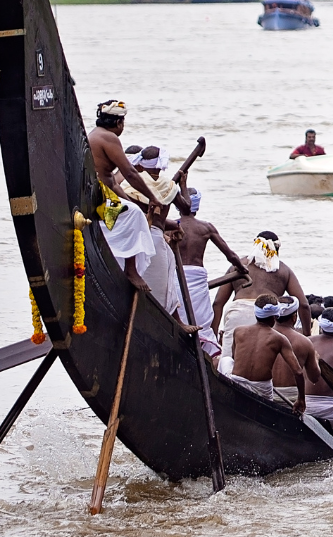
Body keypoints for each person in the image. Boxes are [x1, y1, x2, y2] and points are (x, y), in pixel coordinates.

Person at [88, 100, 164, 292]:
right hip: (100, 201)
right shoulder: (109, 137)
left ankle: (117, 263)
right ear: (119, 122)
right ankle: (131, 270)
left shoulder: (96, 134)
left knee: (133, 210)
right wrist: (153, 198)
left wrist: (132, 202)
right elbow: (129, 173)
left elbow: (113, 182)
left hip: (102, 195)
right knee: (135, 216)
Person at [161, 188, 243, 356]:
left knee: (178, 315)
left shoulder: (169, 226)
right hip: (196, 280)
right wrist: (242, 268)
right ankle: (205, 353)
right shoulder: (205, 228)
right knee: (201, 322)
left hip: (178, 277)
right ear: (197, 207)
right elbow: (231, 255)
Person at [223, 296, 307, 412]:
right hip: (262, 390)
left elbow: (233, 358)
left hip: (238, 383)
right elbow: (298, 372)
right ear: (275, 317)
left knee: (225, 360)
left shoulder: (238, 331)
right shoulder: (280, 339)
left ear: (256, 314)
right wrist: (301, 399)